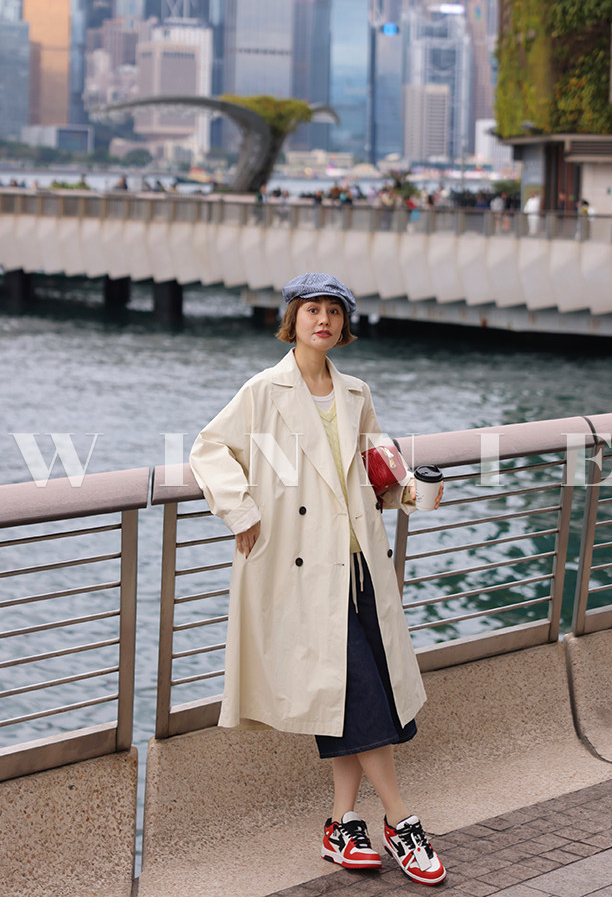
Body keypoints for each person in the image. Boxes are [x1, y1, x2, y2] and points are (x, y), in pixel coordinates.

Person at [189, 272, 446, 886]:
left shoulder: (356, 392)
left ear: (344, 323)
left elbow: (377, 470)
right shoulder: (263, 390)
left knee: (350, 697)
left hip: (359, 567)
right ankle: (400, 820)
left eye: (333, 310)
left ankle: (341, 824)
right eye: (312, 310)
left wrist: (413, 492)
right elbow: (207, 450)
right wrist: (242, 512)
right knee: (359, 694)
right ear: (293, 319)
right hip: (303, 571)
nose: (323, 320)